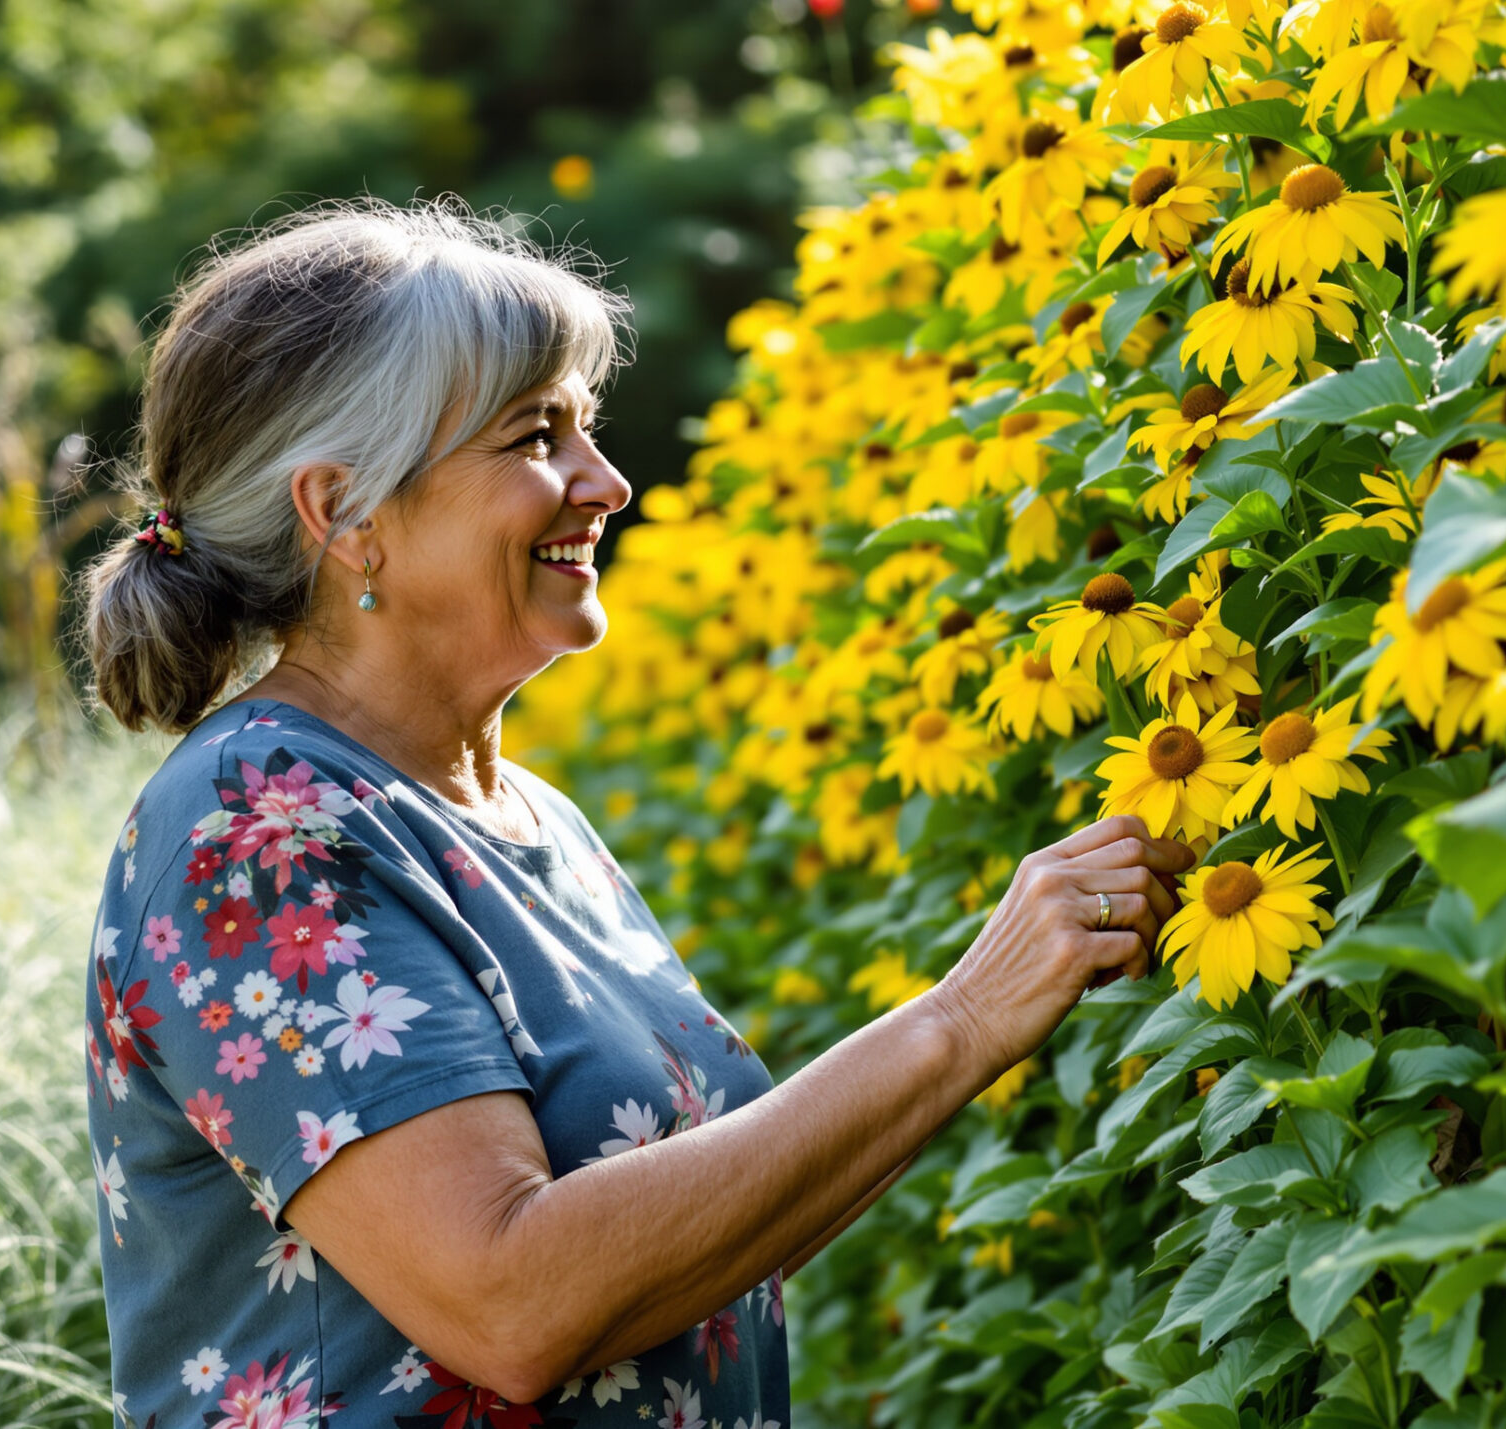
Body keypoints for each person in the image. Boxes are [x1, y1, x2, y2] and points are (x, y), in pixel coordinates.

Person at [74, 196, 1194, 1429]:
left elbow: (681, 1255)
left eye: (586, 428)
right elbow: (515, 1300)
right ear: (344, 514)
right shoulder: (259, 837)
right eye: (532, 436)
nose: (603, 482)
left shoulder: (516, 812)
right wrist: (965, 1017)